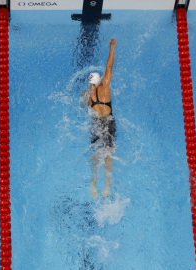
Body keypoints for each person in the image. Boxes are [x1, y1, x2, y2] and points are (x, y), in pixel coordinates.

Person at [83, 38, 116, 198]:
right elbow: (109, 67)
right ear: (99, 80)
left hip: (96, 124)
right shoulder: (105, 87)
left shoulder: (88, 96)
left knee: (95, 155)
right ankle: (107, 186)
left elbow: (82, 105)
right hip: (107, 122)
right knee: (108, 154)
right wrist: (112, 48)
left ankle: (93, 185)